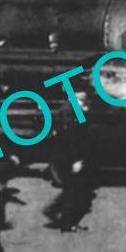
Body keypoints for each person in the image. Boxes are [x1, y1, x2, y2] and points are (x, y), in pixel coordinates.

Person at [44, 90, 96, 232]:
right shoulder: (69, 110)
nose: (85, 95)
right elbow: (71, 137)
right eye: (81, 92)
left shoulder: (72, 108)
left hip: (67, 156)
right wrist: (76, 159)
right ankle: (67, 223)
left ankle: (57, 212)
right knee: (72, 190)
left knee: (71, 189)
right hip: (68, 158)